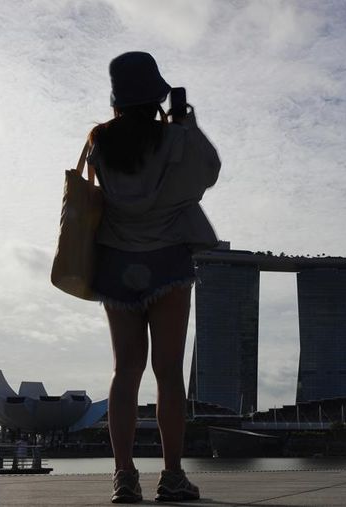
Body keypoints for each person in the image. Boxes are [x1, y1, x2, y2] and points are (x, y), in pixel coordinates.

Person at [85, 51, 221, 503]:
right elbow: (209, 173)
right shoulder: (173, 138)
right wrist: (186, 124)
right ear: (157, 94)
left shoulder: (99, 141)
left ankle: (123, 476)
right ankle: (173, 475)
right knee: (168, 374)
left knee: (125, 371)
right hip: (167, 262)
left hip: (116, 265)